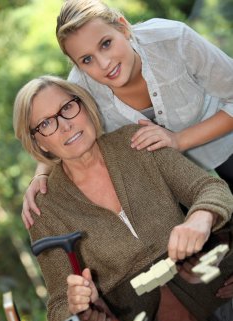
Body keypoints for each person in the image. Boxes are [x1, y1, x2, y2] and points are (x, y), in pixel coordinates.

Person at [13, 75, 233, 321]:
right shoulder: (44, 210)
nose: (64, 125)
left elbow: (210, 189)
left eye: (67, 108)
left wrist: (200, 217)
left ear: (85, 107)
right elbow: (59, 306)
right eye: (46, 123)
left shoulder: (136, 141)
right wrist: (81, 311)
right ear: (38, 141)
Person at [21, 0, 233, 229]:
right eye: (87, 60)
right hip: (167, 179)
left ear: (123, 27)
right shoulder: (81, 88)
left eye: (106, 44)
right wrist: (41, 174)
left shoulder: (173, 39)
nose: (104, 64)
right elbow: (61, 130)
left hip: (225, 140)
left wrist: (178, 140)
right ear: (77, 65)